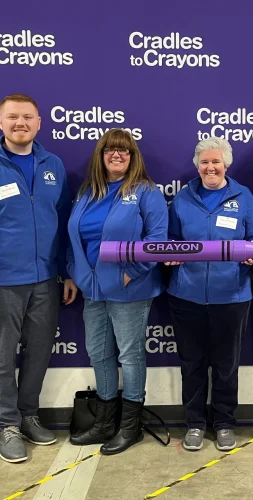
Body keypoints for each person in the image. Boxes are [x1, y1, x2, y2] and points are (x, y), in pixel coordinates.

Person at [67, 128, 168, 455]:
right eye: (110, 149)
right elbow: (72, 239)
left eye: (124, 150)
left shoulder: (145, 192)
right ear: (101, 154)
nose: (117, 155)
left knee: (130, 354)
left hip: (130, 289)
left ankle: (130, 426)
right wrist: (75, 272)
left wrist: (131, 274)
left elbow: (158, 242)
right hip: (92, 289)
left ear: (132, 156)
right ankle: (104, 422)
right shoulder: (88, 191)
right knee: (98, 351)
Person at [166, 137, 253, 452]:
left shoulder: (243, 196)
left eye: (216, 162)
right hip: (187, 295)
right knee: (192, 363)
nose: (211, 167)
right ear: (197, 166)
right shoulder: (182, 198)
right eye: (205, 162)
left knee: (226, 364)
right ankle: (194, 423)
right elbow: (170, 238)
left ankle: (224, 423)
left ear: (226, 165)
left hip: (232, 296)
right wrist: (171, 253)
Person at [0, 94, 77, 463]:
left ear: (39, 122)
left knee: (38, 352)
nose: (20, 123)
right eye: (12, 117)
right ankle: (6, 425)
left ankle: (28, 414)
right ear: (1, 123)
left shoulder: (53, 165)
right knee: (1, 356)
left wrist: (65, 272)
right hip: (4, 281)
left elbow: (64, 223)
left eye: (27, 117)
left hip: (46, 277)